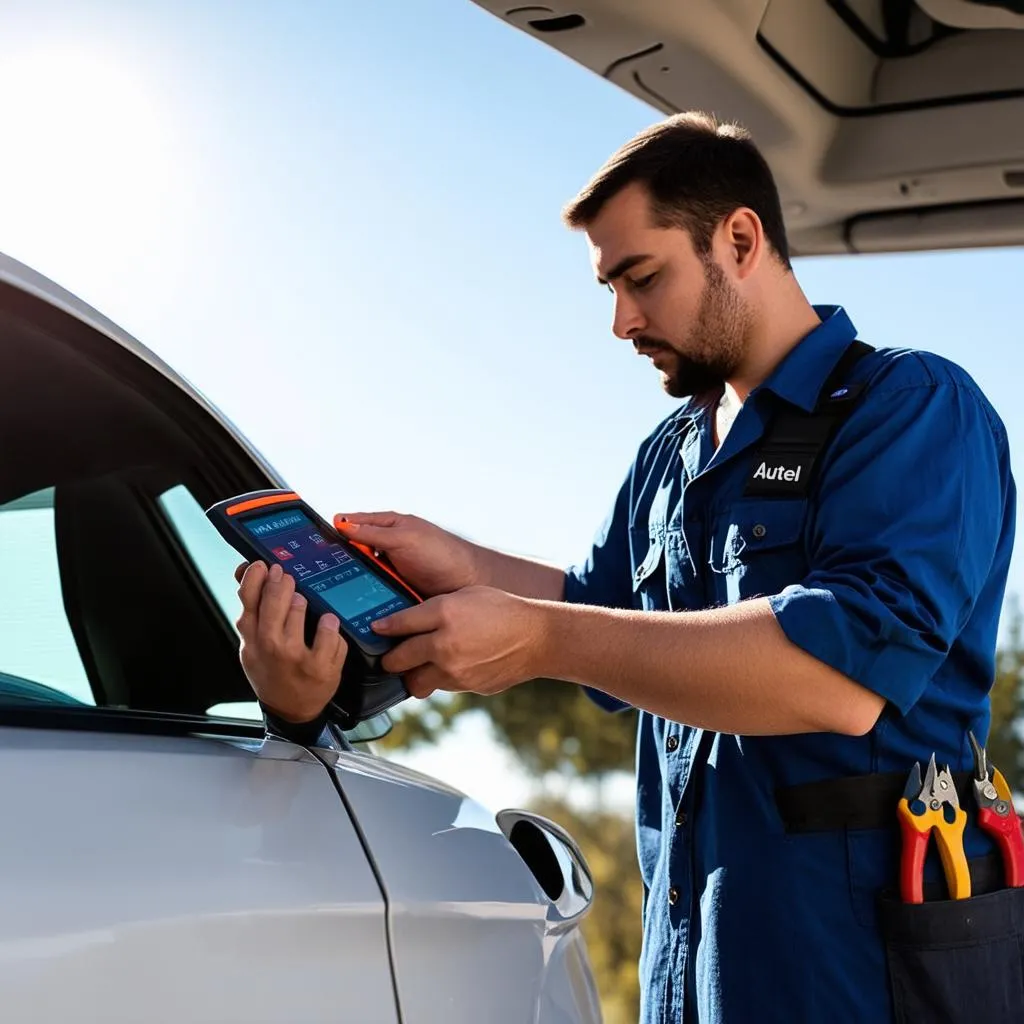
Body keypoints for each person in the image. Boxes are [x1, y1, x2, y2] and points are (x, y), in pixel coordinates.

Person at [235, 112, 1018, 1023]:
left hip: (859, 982)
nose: (621, 321)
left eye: (642, 278)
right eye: (610, 287)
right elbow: (599, 611)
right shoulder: (669, 456)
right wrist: (457, 566)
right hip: (693, 980)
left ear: (739, 238)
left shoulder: (912, 408)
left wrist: (541, 638)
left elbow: (838, 675)